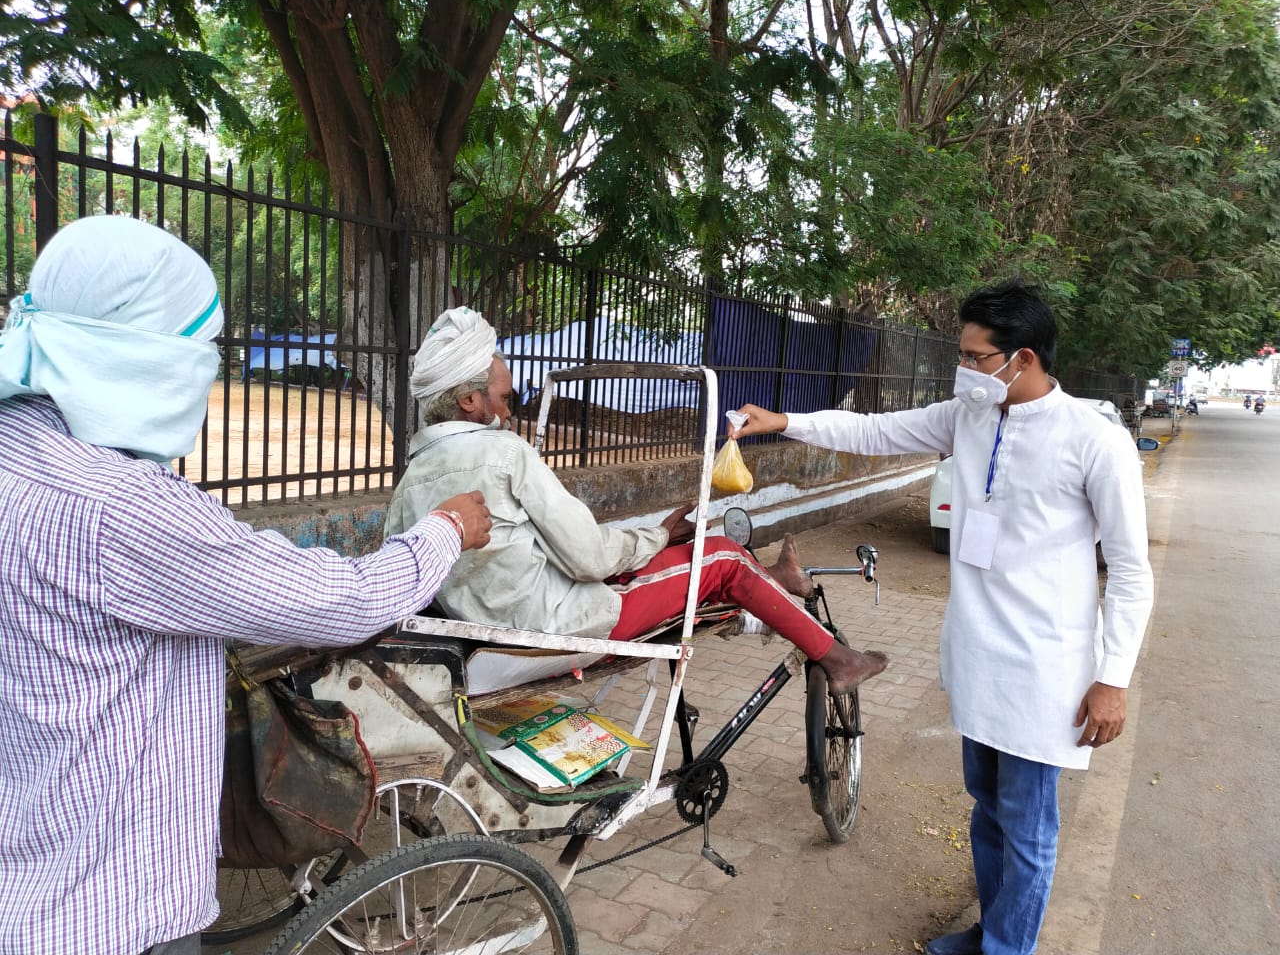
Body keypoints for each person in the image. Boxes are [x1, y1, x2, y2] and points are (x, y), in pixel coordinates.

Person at [0, 217, 491, 955]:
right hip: (106, 909)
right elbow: (343, 600)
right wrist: (445, 531)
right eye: (199, 351)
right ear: (141, 357)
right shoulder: (119, 507)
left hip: (27, 863)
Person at [730, 280, 1154, 955]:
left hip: (1047, 668)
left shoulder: (1094, 441)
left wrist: (1114, 678)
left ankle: (1008, 950)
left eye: (975, 356)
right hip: (979, 657)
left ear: (1025, 358)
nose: (964, 370)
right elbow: (874, 431)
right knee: (986, 812)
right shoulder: (970, 416)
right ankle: (993, 931)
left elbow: (1131, 571)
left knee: (1027, 826)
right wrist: (785, 422)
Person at [383, 306, 888, 696]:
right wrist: (658, 535)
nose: (509, 413)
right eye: (505, 399)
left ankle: (770, 587)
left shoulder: (408, 486)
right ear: (470, 401)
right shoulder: (503, 454)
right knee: (721, 555)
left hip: (488, 638)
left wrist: (649, 545)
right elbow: (586, 558)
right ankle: (838, 658)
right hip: (553, 632)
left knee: (659, 564)